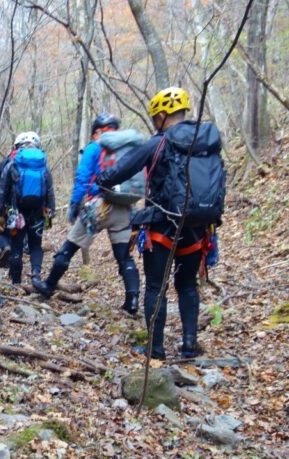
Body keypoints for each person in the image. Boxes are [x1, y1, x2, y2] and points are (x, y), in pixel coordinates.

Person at [95, 87, 226, 360]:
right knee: (187, 284)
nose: (155, 123)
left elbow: (122, 170)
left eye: (156, 118)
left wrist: (102, 179)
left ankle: (156, 349)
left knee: (156, 286)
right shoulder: (206, 140)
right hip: (197, 228)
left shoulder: (158, 143)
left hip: (161, 227)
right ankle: (189, 345)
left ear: (163, 115)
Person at [32, 112, 141, 316]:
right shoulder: (129, 149)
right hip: (124, 208)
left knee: (69, 247)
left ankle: (48, 286)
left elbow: (83, 177)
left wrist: (74, 203)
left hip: (98, 206)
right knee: (124, 257)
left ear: (95, 133)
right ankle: (132, 300)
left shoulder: (94, 148)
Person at [0, 131, 55, 287]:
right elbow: (50, 193)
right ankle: (36, 275)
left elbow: (1, 191)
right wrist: (49, 217)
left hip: (16, 215)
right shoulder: (43, 166)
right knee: (35, 246)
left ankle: (16, 283)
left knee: (16, 247)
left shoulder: (12, 164)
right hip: (38, 214)